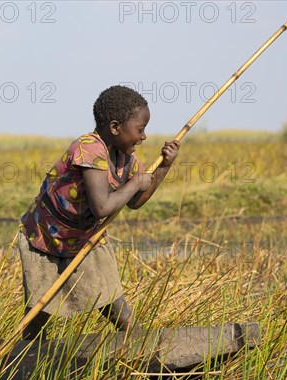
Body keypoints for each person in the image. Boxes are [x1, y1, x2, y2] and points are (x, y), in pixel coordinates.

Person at [18, 85, 180, 340]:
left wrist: (163, 168)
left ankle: (137, 348)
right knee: (40, 310)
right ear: (115, 127)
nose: (144, 137)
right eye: (140, 129)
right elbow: (103, 207)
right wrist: (136, 183)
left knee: (115, 304)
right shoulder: (89, 148)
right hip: (46, 238)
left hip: (84, 238)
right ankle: (24, 357)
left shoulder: (126, 157)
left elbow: (135, 202)